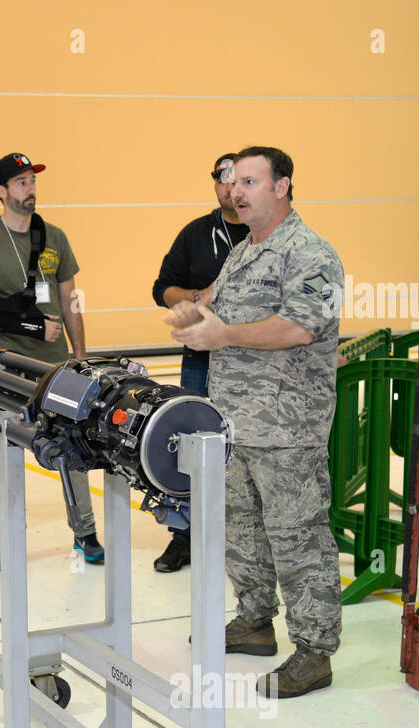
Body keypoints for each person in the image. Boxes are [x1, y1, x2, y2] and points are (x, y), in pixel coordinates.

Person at [166, 145, 343, 699]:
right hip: (235, 423)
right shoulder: (243, 253)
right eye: (231, 181)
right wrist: (193, 313)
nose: (236, 191)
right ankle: (256, 619)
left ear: (282, 186)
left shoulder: (312, 254)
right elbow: (215, 306)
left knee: (298, 535)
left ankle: (315, 652)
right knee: (240, 526)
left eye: (249, 181)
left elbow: (301, 328)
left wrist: (223, 335)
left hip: (289, 426)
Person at [0, 152, 101, 569]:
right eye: (20, 183)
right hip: (9, 371)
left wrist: (80, 360)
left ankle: (86, 534)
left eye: (32, 181)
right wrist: (31, 328)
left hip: (58, 369)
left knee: (73, 451)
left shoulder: (53, 236)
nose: (30, 189)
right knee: (11, 455)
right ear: (1, 192)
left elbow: (68, 300)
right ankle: (14, 542)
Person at [149, 153, 249, 573]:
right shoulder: (196, 233)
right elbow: (161, 288)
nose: (231, 187)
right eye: (223, 178)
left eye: (239, 178)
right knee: (190, 445)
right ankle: (184, 536)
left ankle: (244, 539)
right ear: (214, 185)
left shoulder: (266, 234)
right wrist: (193, 299)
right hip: (201, 362)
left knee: (244, 447)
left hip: (252, 364)